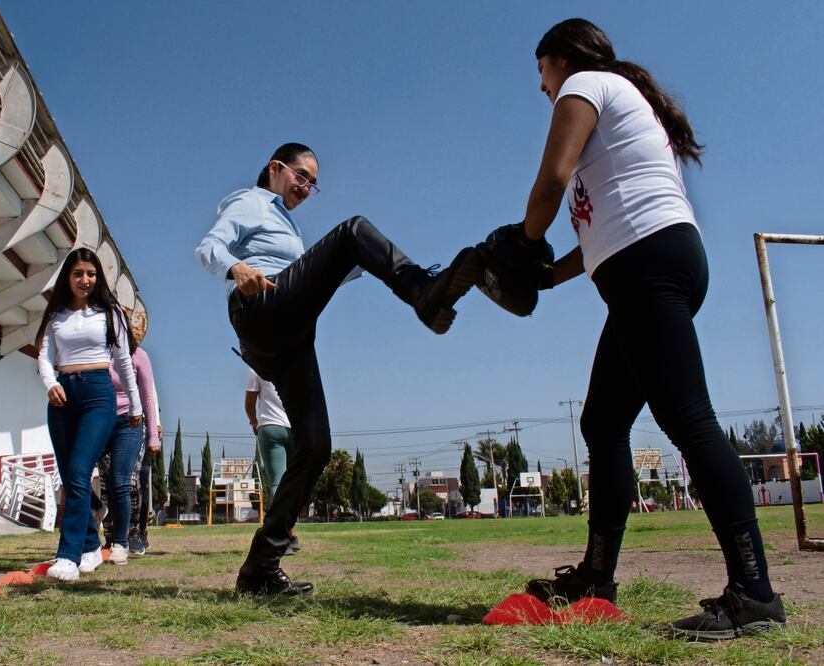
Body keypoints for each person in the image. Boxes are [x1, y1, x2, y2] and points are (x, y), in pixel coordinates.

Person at [485, 18, 784, 640]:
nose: (541, 88)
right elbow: (595, 236)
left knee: (688, 419)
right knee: (601, 421)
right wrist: (543, 276)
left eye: (541, 72)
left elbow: (552, 182)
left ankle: (754, 593)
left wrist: (521, 242)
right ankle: (596, 577)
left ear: (561, 59)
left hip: (650, 264)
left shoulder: (586, 85)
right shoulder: (620, 95)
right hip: (647, 263)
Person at [195, 142, 482, 595]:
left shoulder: (288, 226)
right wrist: (235, 267)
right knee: (352, 230)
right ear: (275, 168)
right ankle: (421, 292)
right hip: (261, 306)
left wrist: (361, 258)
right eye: (301, 176)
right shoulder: (250, 201)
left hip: (290, 333)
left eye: (313, 183)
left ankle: (260, 569)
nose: (307, 188)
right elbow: (209, 245)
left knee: (316, 446)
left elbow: (325, 266)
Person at [36, 248, 142, 581]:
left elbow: (124, 362)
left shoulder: (110, 313)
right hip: (62, 396)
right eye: (78, 274)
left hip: (98, 394)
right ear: (67, 277)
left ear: (98, 278)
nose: (85, 280)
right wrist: (50, 382)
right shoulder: (56, 316)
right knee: (70, 477)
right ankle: (89, 546)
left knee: (81, 470)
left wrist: (136, 405)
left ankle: (67, 555)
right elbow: (43, 355)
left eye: (91, 274)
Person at [97, 309, 163, 564]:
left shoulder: (139, 356)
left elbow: (148, 396)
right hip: (102, 423)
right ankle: (111, 534)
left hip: (131, 422)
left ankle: (128, 536)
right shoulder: (99, 355)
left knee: (124, 481)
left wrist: (153, 437)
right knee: (106, 485)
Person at [245, 368, 300, 555]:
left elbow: (249, 402)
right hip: (294, 427)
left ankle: (282, 536)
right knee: (292, 482)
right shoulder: (295, 363)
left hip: (270, 426)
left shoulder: (257, 366)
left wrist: (253, 422)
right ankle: (291, 532)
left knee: (277, 481)